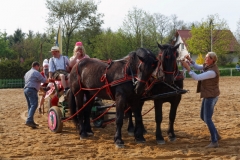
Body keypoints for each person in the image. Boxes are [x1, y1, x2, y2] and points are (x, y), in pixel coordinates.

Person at [181, 52, 220, 148]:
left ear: (212, 60)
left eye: (207, 58)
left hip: (211, 96)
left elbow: (197, 77)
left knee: (208, 118)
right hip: (208, 95)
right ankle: (216, 135)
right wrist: (190, 61)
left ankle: (214, 141)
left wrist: (188, 68)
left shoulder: (212, 72)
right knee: (203, 117)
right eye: (205, 57)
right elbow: (198, 67)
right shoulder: (208, 66)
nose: (205, 59)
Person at [24, 61, 48, 128]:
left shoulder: (27, 73)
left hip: (26, 90)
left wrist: (41, 88)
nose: (39, 68)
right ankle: (29, 120)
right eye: (39, 67)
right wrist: (50, 80)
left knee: (30, 106)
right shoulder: (36, 72)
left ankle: (31, 121)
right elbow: (44, 80)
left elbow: (33, 81)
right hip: (32, 90)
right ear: (36, 66)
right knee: (34, 105)